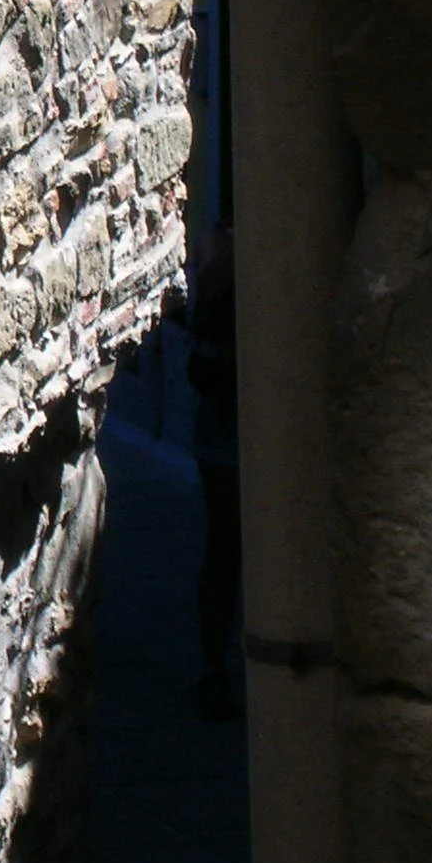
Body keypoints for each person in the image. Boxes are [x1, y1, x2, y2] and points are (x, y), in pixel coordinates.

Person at [187, 224, 243, 720]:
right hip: (229, 435)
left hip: (222, 436)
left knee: (224, 550)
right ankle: (214, 667)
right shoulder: (225, 254)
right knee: (226, 549)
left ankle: (215, 666)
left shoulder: (220, 250)